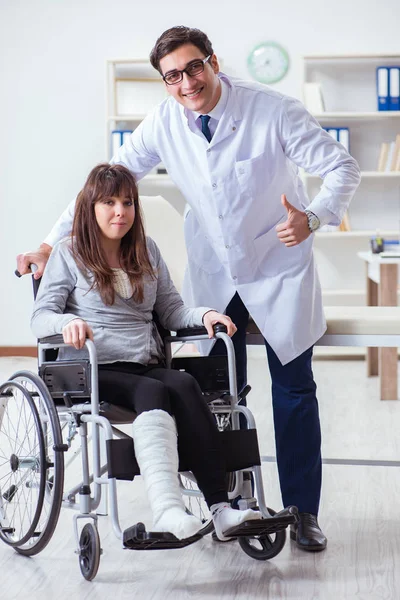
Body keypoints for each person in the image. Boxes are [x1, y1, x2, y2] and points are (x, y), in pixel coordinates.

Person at [19, 26, 361, 552]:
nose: (186, 83)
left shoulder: (272, 110)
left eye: (194, 67)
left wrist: (315, 217)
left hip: (278, 267)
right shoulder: (163, 123)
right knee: (221, 393)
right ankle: (237, 502)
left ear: (213, 62)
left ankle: (303, 512)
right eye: (172, 75)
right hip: (217, 273)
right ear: (164, 81)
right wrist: (49, 244)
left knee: (294, 392)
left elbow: (341, 166)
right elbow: (101, 189)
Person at [30, 163, 262, 541]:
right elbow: (41, 318)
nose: (120, 211)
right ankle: (169, 510)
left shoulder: (146, 252)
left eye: (127, 202)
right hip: (92, 369)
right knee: (154, 393)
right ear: (90, 207)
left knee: (185, 385)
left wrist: (204, 314)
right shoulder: (68, 254)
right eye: (109, 202)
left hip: (143, 363)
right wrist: (64, 325)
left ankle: (220, 510)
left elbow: (171, 310)